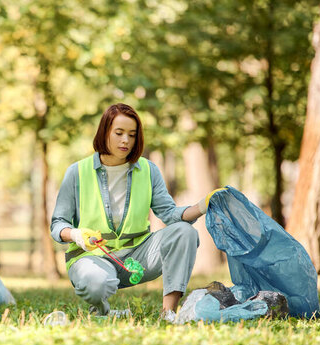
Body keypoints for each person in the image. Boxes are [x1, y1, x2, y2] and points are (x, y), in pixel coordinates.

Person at [51, 103, 220, 322]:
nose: (125, 141)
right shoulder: (77, 172)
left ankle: (167, 313)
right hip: (92, 257)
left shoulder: (148, 170)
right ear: (105, 132)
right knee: (96, 282)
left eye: (132, 135)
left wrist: (202, 206)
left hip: (137, 257)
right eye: (119, 133)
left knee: (185, 232)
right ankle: (102, 312)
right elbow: (57, 224)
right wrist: (76, 235)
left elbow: (169, 213)